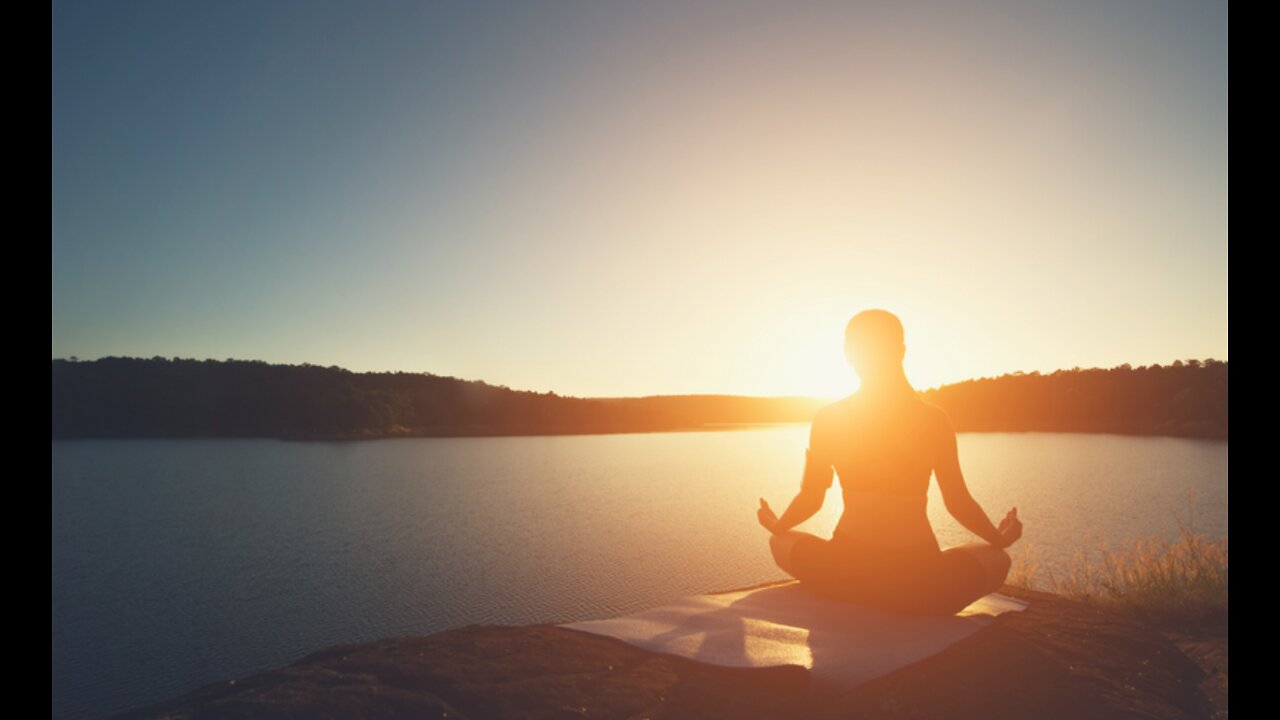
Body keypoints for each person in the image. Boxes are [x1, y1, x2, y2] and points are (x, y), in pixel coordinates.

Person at [756, 309, 1022, 615]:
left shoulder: (828, 419)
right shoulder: (934, 420)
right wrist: (998, 538)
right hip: (920, 582)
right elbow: (957, 502)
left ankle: (859, 594)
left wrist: (779, 525)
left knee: (779, 542)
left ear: (848, 355)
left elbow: (811, 498)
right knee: (997, 559)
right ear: (901, 351)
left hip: (845, 573)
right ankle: (906, 599)